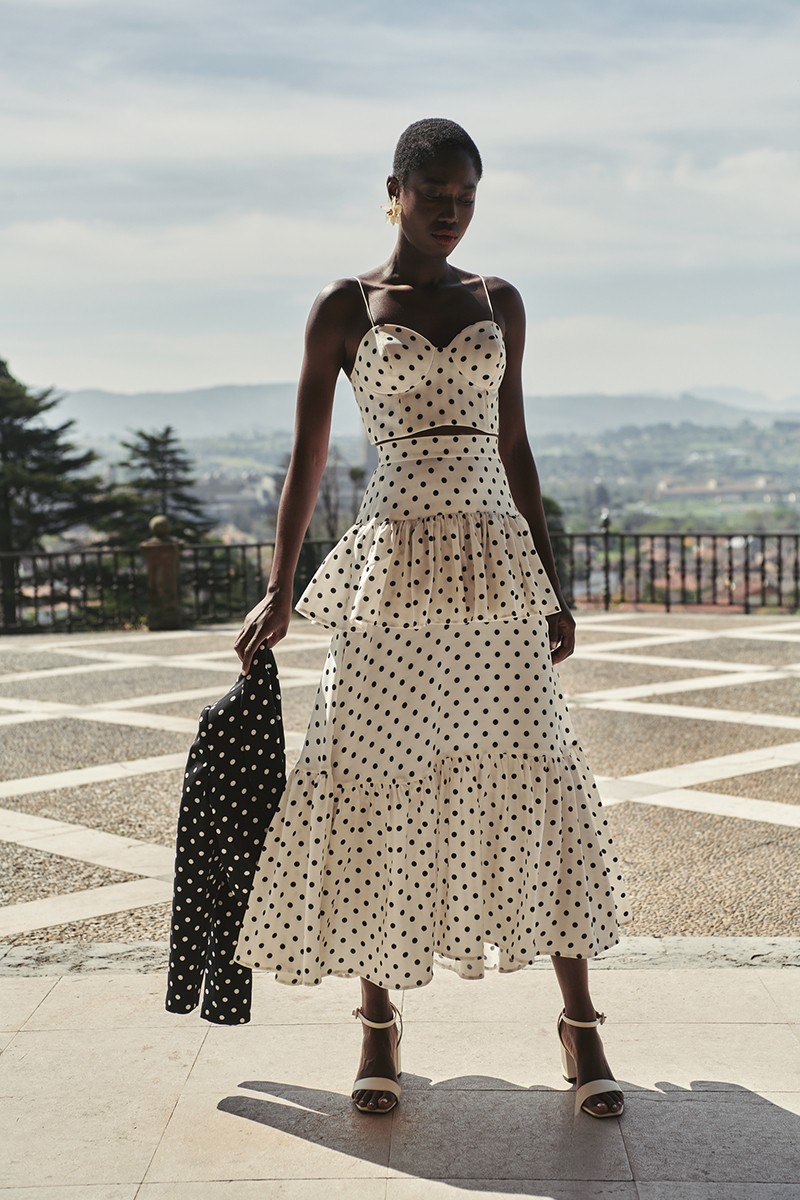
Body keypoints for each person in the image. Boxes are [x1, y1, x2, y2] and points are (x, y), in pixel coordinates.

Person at [233, 118, 629, 1119]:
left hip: (493, 572)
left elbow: (517, 448)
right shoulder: (347, 304)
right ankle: (376, 1027)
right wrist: (281, 587)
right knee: (373, 778)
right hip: (391, 569)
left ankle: (581, 1028)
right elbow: (309, 459)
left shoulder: (499, 301)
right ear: (394, 190)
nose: (450, 212)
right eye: (434, 193)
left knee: (532, 771)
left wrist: (550, 582)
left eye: (465, 198)